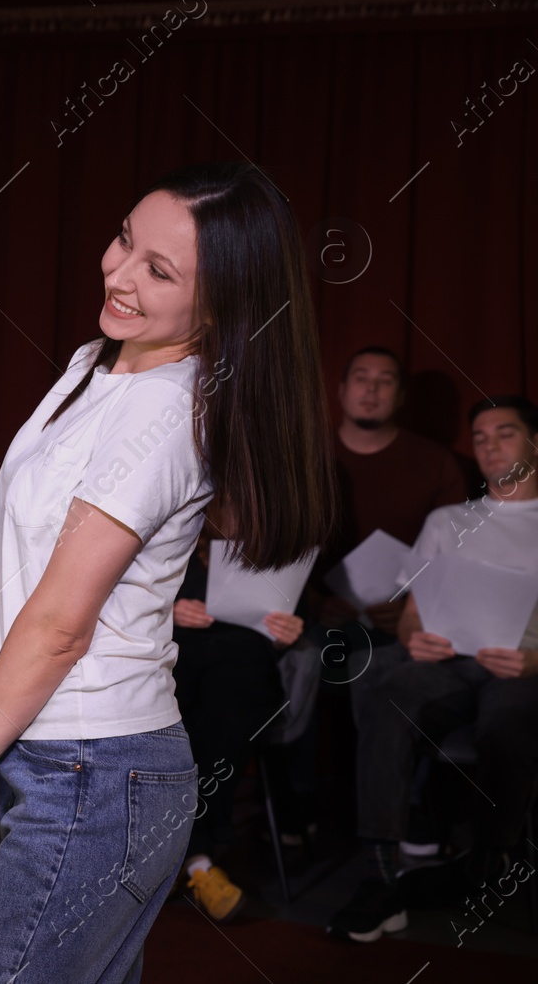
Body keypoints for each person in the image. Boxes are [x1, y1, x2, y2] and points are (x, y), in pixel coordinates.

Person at [0, 163, 334, 982]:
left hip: (96, 769)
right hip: (63, 760)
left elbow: (57, 625)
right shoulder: (95, 361)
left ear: (224, 304)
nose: (119, 273)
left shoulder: (165, 412)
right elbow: (12, 562)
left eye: (159, 271)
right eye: (125, 238)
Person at [328, 394, 538, 943]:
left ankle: (487, 861)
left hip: (524, 667)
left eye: (505, 433)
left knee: (509, 718)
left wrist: (535, 658)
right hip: (450, 660)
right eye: (482, 437)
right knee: (386, 691)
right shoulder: (449, 520)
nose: (490, 446)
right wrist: (414, 638)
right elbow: (412, 612)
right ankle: (379, 875)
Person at [169, 509, 308, 921]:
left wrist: (288, 635)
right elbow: (121, 603)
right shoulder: (174, 537)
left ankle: (185, 859)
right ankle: (197, 861)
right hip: (178, 658)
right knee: (169, 719)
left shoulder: (276, 546)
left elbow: (298, 625)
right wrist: (168, 613)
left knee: (230, 713)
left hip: (243, 668)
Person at [314, 346, 465, 708]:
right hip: (313, 612)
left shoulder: (437, 463)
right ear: (341, 390)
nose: (371, 390)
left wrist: (412, 612)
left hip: (403, 619)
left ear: (400, 397)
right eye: (361, 379)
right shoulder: (307, 455)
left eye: (385, 382)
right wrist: (311, 602)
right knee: (296, 664)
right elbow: (272, 540)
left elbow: (457, 555)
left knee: (392, 678)